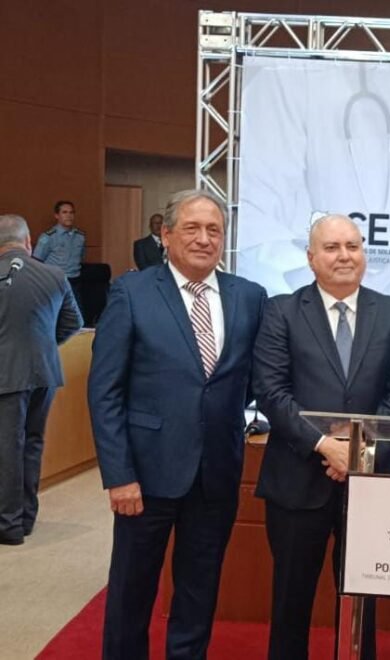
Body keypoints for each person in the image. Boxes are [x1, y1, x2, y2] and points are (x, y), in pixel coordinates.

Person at [87, 190, 267, 659]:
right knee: (131, 592)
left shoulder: (249, 297)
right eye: (192, 228)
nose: (204, 239)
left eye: (214, 230)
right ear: (166, 235)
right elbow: (105, 391)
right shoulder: (132, 292)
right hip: (145, 476)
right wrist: (119, 475)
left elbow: (249, 380)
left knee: (199, 589)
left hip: (216, 474)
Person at [252, 214, 390, 660]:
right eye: (331, 247)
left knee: (363, 602)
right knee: (291, 602)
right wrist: (325, 446)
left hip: (371, 482)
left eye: (353, 246)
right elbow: (271, 391)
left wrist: (359, 450)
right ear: (311, 258)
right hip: (296, 479)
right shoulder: (281, 311)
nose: (344, 256)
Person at [0, 214, 82, 545]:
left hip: (6, 375)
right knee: (32, 442)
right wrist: (44, 345)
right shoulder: (55, 274)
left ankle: (8, 525)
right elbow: (74, 322)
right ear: (28, 242)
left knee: (7, 448)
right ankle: (25, 518)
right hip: (44, 373)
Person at [33, 200, 86, 305]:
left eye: (71, 212)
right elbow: (37, 261)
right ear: (57, 215)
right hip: (54, 282)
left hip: (75, 281)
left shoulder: (80, 236)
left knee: (77, 313)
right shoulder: (48, 237)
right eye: (64, 212)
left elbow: (81, 257)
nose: (69, 216)